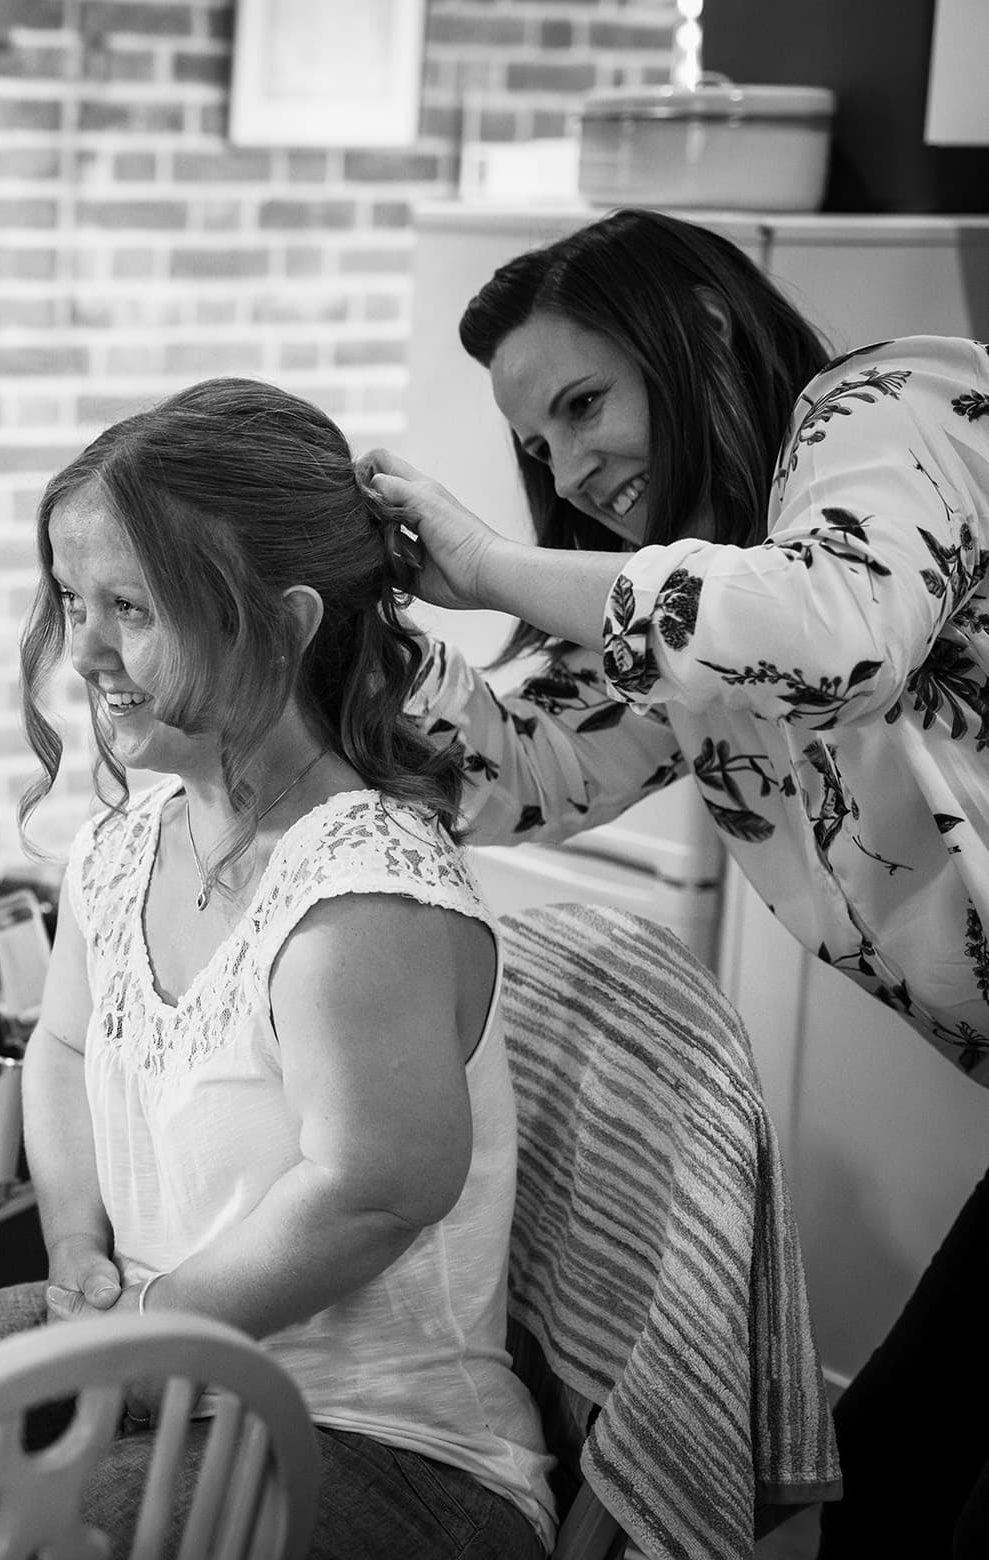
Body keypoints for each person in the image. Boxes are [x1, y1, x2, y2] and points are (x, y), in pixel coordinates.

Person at [359, 206, 989, 1558]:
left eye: (585, 405)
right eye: (539, 448)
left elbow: (837, 634)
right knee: (898, 1488)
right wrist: (350, 622)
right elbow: (516, 766)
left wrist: (485, 563)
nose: (572, 469)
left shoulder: (887, 408)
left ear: (696, 332)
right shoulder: (693, 607)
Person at [0, 378, 553, 1559]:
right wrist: (74, 1248)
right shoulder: (123, 844)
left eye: (137, 606)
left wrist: (150, 1329)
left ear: (288, 621)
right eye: (73, 598)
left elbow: (375, 1190)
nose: (87, 649)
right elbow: (58, 1051)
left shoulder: (360, 887)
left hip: (377, 1438)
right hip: (160, 1353)